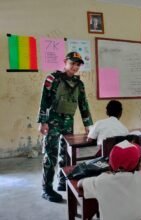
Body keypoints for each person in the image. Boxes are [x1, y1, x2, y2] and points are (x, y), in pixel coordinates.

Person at [38, 52, 93, 202]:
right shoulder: (53, 79)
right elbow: (44, 100)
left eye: (78, 64)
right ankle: (47, 189)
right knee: (51, 156)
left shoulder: (79, 84)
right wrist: (42, 122)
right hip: (52, 121)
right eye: (72, 63)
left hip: (68, 122)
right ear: (65, 62)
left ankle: (63, 181)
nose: (75, 67)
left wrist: (88, 125)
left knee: (67, 154)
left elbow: (83, 105)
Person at [78, 141, 141, 220]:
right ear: (138, 163)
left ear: (110, 163)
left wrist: (106, 175)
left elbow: (80, 183)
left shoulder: (101, 181)